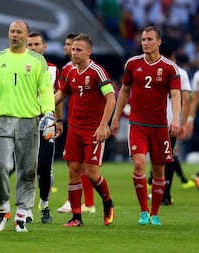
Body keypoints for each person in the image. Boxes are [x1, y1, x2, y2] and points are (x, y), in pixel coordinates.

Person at [0, 20, 55, 232]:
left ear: (26, 35)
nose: (15, 35)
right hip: (2, 120)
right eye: (12, 31)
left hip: (28, 120)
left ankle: (22, 215)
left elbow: (45, 89)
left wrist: (49, 112)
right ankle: (3, 207)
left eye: (19, 32)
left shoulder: (37, 60)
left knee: (27, 170)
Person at [111, 26, 181, 226]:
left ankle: (155, 213)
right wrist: (115, 118)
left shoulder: (169, 67)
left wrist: (176, 119)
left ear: (158, 42)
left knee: (159, 170)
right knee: (139, 164)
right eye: (143, 39)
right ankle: (143, 212)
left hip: (160, 126)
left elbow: (175, 95)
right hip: (138, 124)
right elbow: (124, 91)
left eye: (150, 39)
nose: (146, 43)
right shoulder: (132, 64)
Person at [56, 33, 115, 227]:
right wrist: (41, 108)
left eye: (79, 50)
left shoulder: (97, 71)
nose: (74, 53)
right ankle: (76, 217)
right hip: (75, 129)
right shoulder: (71, 72)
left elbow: (111, 99)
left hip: (93, 130)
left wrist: (103, 125)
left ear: (89, 52)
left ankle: (107, 202)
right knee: (73, 170)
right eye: (73, 49)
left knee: (91, 173)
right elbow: (61, 94)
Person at [147, 40, 193, 205]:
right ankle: (165, 193)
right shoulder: (181, 72)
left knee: (158, 157)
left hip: (153, 121)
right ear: (172, 56)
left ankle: (159, 189)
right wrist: (184, 121)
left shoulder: (150, 70)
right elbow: (186, 100)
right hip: (172, 121)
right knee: (169, 156)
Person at [56, 33, 96, 214]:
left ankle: (88, 202)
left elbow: (110, 96)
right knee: (73, 166)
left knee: (85, 167)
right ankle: (81, 205)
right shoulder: (67, 70)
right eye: (67, 46)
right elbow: (61, 95)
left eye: (71, 46)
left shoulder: (93, 70)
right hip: (73, 121)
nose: (68, 49)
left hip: (88, 124)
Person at [25, 31, 61, 224]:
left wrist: (60, 119)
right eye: (29, 45)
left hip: (47, 122)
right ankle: (27, 209)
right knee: (28, 167)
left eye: (36, 44)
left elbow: (59, 94)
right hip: (26, 121)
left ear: (44, 47)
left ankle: (45, 204)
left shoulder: (53, 69)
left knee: (45, 167)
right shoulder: (20, 67)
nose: (33, 48)